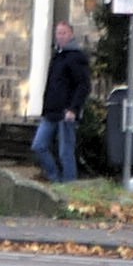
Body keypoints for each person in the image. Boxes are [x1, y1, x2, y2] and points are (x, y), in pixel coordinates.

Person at [34, 20, 92, 180]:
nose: (60, 36)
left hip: (67, 112)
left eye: (64, 33)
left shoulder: (76, 57)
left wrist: (74, 109)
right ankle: (57, 181)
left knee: (65, 152)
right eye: (58, 33)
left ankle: (69, 188)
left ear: (71, 34)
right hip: (52, 111)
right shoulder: (57, 57)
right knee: (39, 145)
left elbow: (83, 85)